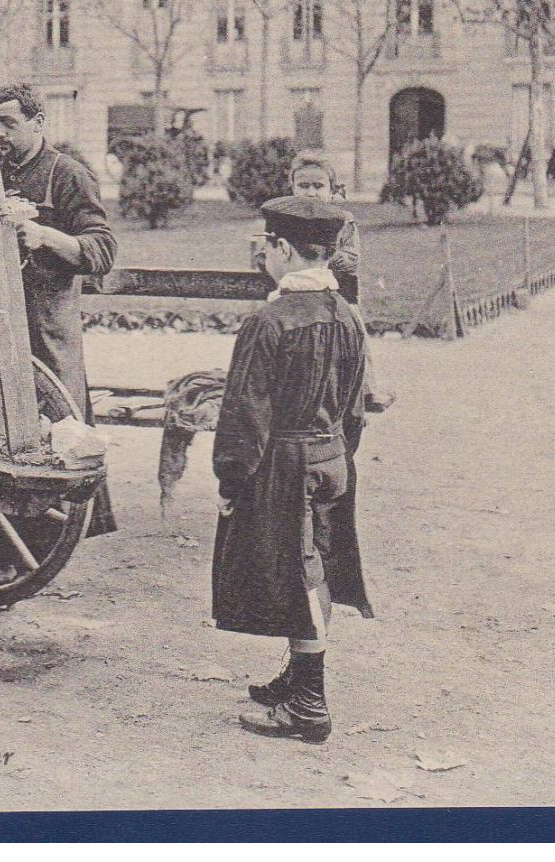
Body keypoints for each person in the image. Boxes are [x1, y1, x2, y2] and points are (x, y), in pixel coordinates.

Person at [212, 196, 370, 744]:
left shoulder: (269, 320)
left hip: (284, 464)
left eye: (267, 245)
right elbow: (355, 402)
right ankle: (295, 679)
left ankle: (308, 705)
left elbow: (244, 412)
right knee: (314, 567)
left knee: (298, 578)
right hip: (332, 458)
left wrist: (231, 480)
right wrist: (338, 454)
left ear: (281, 249)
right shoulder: (348, 316)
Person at [0, 83, 120, 534]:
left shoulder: (68, 174)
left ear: (39, 122)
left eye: (8, 123)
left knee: (55, 426)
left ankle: (53, 535)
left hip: (46, 323)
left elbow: (102, 249)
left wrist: (46, 236)